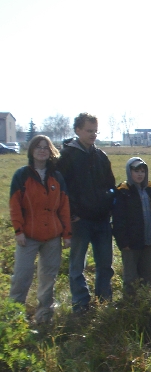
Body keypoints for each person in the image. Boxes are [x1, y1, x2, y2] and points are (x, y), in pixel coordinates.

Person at [57, 113, 116, 313]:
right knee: (77, 266)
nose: (93, 135)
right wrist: (72, 213)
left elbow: (110, 185)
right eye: (89, 131)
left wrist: (108, 206)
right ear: (78, 130)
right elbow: (62, 188)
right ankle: (80, 304)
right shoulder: (67, 156)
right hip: (80, 221)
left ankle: (104, 301)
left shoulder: (101, 156)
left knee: (105, 264)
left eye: (95, 131)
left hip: (102, 220)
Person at [9, 136, 71, 323]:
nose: (42, 150)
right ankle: (14, 317)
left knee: (48, 278)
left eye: (46, 147)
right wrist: (18, 231)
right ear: (31, 151)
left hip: (52, 236)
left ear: (50, 151)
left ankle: (44, 316)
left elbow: (64, 207)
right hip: (28, 236)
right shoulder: (22, 175)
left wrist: (67, 234)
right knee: (21, 276)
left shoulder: (57, 177)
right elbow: (14, 206)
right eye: (38, 147)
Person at [112, 157, 151, 296]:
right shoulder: (123, 192)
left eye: (142, 171)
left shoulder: (150, 190)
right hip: (130, 242)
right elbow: (118, 220)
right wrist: (123, 242)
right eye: (136, 171)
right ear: (129, 172)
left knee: (147, 274)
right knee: (131, 276)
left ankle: (146, 300)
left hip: (146, 240)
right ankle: (130, 302)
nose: (140, 174)